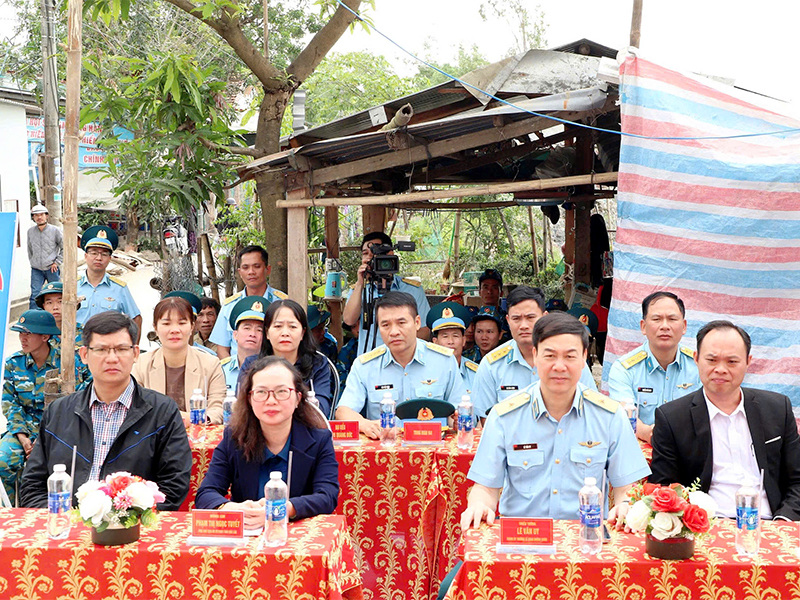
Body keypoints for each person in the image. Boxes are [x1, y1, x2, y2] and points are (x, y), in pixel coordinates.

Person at [460, 312, 650, 530]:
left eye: (570, 356)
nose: (559, 366)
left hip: (586, 539)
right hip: (523, 539)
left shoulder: (610, 416)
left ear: (583, 358)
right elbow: (485, 488)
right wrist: (479, 505)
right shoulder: (504, 416)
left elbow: (627, 488)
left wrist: (626, 505)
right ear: (535, 355)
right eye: (550, 356)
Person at [19, 312, 192, 510]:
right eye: (101, 350)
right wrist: (67, 520)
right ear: (84, 355)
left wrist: (120, 521)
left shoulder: (162, 411)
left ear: (136, 353)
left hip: (132, 529)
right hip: (67, 527)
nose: (112, 358)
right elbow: (33, 486)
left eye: (121, 349)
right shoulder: (58, 412)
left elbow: (173, 487)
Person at [649, 320, 800, 521]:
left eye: (732, 362)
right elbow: (664, 487)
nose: (720, 369)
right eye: (711, 360)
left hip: (771, 522)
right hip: (708, 527)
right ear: (696, 359)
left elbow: (797, 481)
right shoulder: (672, 418)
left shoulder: (777, 408)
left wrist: (783, 521)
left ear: (748, 361)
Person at [195, 356, 339, 527]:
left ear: (298, 398)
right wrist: (232, 508)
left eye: (281, 392)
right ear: (249, 399)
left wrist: (285, 509)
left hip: (297, 537)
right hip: (246, 534)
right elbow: (206, 493)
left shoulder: (318, 440)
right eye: (261, 392)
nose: (271, 401)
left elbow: (327, 496)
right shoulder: (234, 438)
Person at [336, 292, 466, 439]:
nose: (394, 332)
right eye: (385, 325)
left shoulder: (444, 361)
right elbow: (343, 410)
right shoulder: (365, 365)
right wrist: (364, 424)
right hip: (385, 451)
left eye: (401, 323)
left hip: (433, 448)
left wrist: (456, 422)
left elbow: (459, 410)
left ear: (417, 322)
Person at [471, 286, 597, 421]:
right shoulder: (491, 365)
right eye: (516, 318)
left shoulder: (570, 360)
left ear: (545, 317)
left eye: (530, 317)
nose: (523, 325)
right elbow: (486, 420)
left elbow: (591, 411)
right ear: (508, 320)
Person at [0, 310, 88, 503]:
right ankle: (12, 513)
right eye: (20, 333)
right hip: (24, 430)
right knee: (3, 460)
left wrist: (44, 439)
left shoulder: (69, 363)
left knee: (59, 468)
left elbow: (82, 399)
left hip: (61, 430)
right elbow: (10, 404)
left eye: (28, 333)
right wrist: (23, 439)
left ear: (45, 337)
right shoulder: (14, 363)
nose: (23, 338)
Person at [607, 291, 700, 443]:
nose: (665, 326)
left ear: (684, 326)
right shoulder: (624, 369)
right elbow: (624, 417)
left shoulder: (699, 365)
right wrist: (655, 436)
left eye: (672, 319)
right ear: (643, 327)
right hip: (642, 452)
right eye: (656, 319)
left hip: (689, 449)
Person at [132, 296, 226, 424]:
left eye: (182, 323)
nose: (175, 330)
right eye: (166, 323)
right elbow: (133, 409)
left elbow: (218, 409)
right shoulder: (140, 364)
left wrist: (191, 419)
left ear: (192, 326)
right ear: (155, 328)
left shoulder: (210, 363)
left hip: (198, 438)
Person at [239, 299, 332, 418]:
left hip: (305, 431)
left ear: (302, 333)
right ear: (267, 333)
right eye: (278, 326)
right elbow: (243, 408)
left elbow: (321, 410)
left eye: (292, 326)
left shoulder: (318, 363)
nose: (285, 333)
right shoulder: (251, 364)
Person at [343, 232, 430, 356]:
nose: (369, 257)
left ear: (390, 254)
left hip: (404, 362)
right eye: (365, 253)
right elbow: (349, 320)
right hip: (370, 363)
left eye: (375, 252)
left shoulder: (412, 289)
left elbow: (425, 331)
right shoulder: (359, 289)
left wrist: (400, 347)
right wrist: (360, 282)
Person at [210, 245, 287, 359]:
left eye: (257, 266)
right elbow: (222, 348)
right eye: (245, 268)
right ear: (240, 272)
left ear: (268, 269)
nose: (251, 272)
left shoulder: (283, 303)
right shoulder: (230, 305)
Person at [76, 225, 142, 342]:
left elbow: (136, 318)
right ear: (86, 256)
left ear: (110, 258)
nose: (99, 258)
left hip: (108, 348)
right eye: (94, 253)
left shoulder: (119, 288)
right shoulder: (73, 286)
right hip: (77, 348)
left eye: (104, 254)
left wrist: (132, 348)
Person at [427, 301, 478, 394]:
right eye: (445, 336)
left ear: (463, 340)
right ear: (435, 342)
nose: (450, 341)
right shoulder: (425, 371)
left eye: (455, 336)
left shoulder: (477, 373)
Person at [221, 296, 267, 391]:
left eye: (259, 330)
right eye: (247, 328)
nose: (252, 334)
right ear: (235, 335)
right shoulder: (221, 370)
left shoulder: (272, 369)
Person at [27, 204, 62, 309]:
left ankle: (56, 314)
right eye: (36, 215)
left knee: (55, 293)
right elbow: (30, 249)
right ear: (33, 217)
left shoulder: (55, 230)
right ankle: (33, 317)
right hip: (36, 269)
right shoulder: (30, 232)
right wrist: (33, 262)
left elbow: (64, 247)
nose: (39, 217)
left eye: (41, 214)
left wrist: (57, 262)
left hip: (52, 268)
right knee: (35, 294)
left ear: (47, 216)